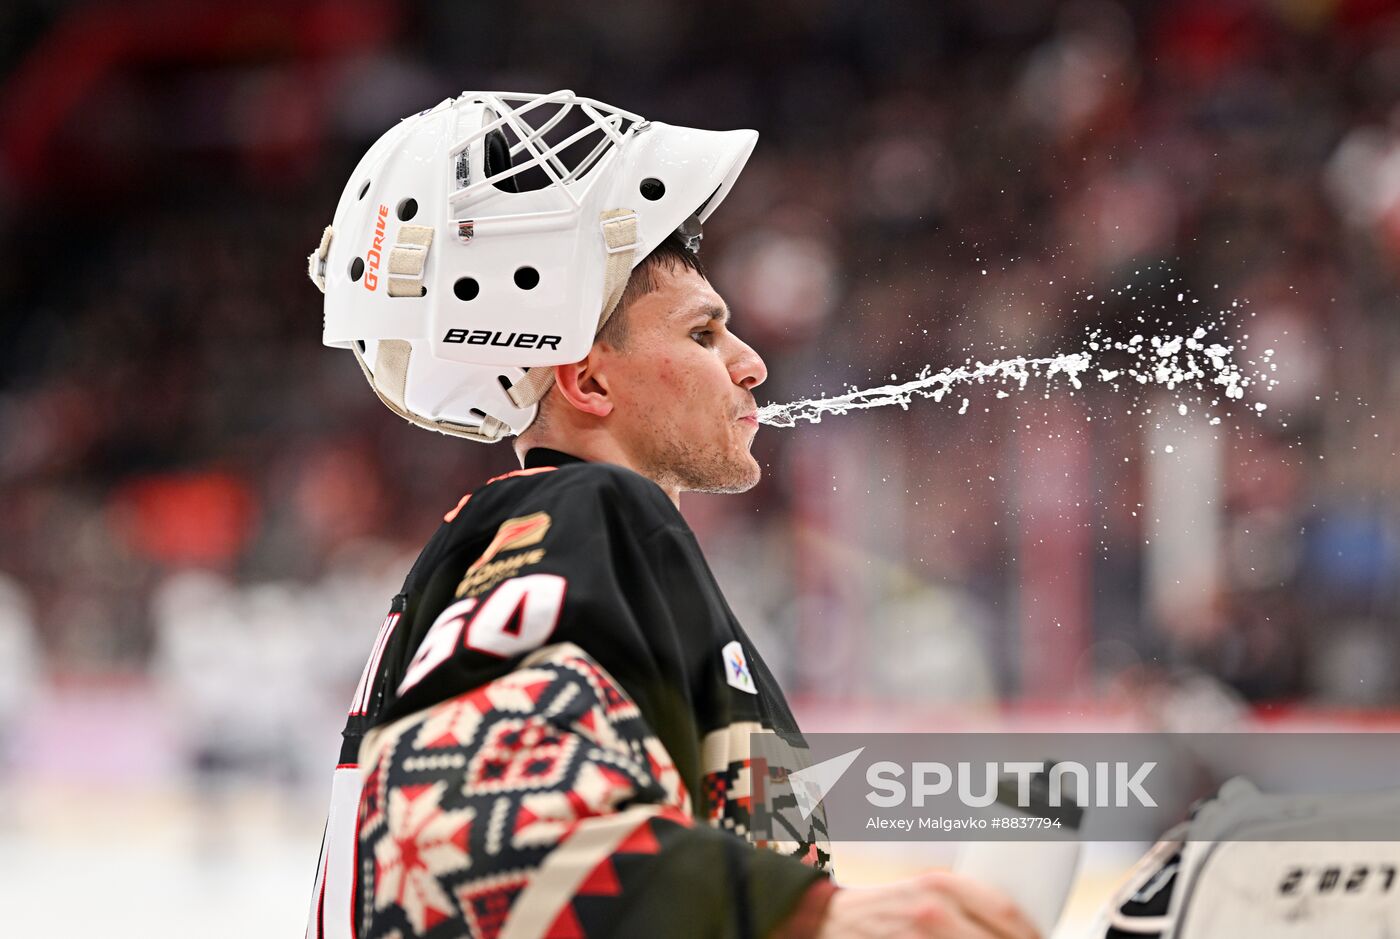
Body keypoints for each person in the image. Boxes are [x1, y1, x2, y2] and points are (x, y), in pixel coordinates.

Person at [305, 90, 1038, 939]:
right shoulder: (589, 510)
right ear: (586, 380)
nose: (752, 363)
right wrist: (816, 918)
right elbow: (458, 830)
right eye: (702, 335)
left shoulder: (512, 542)